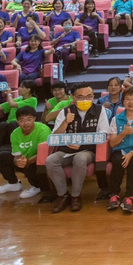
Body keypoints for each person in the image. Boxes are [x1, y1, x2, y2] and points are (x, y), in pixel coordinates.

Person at [47, 84, 109, 213]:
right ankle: (63, 195)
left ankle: (76, 196)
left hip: (88, 150)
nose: (85, 100)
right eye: (80, 97)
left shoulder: (99, 110)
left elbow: (103, 134)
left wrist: (81, 144)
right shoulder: (65, 112)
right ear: (73, 98)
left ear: (93, 97)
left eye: (89, 97)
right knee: (51, 160)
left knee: (80, 158)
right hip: (66, 150)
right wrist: (66, 122)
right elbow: (55, 137)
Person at [0, 106, 51, 199]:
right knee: (1, 156)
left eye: (29, 119)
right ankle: (13, 183)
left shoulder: (43, 130)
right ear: (17, 121)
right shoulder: (15, 133)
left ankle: (36, 186)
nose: (26, 123)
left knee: (30, 164)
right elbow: (16, 155)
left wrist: (28, 161)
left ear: (35, 119)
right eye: (22, 120)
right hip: (25, 159)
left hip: (41, 161)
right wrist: (18, 161)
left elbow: (44, 153)